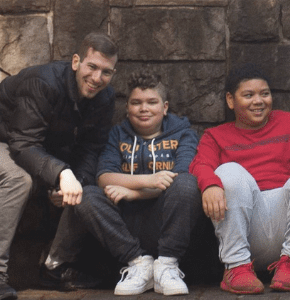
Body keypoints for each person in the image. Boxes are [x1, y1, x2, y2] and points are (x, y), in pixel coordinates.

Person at [0, 32, 117, 300]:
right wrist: (60, 173)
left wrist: (68, 182)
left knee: (82, 183)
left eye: (107, 72)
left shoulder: (104, 98)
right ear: (76, 62)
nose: (98, 78)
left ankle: (55, 266)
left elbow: (90, 149)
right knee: (19, 179)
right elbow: (23, 144)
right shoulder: (44, 82)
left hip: (29, 147)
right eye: (92, 67)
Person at [189, 64, 290, 294]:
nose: (258, 101)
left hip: (289, 222)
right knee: (228, 172)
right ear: (230, 100)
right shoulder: (215, 136)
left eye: (264, 94)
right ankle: (236, 267)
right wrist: (210, 185)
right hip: (244, 225)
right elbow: (201, 165)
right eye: (248, 95)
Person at [72, 71, 201, 296]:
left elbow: (180, 177)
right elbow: (103, 177)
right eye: (136, 103)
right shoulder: (117, 135)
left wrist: (134, 193)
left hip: (165, 223)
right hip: (124, 227)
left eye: (152, 102)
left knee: (187, 184)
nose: (144, 108)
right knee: (86, 195)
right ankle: (138, 265)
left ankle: (166, 267)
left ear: (165, 107)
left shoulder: (184, 134)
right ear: (127, 108)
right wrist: (148, 180)